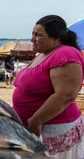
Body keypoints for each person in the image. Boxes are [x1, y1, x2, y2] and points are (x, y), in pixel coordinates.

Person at [12, 15, 84, 159]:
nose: (32, 39)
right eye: (32, 34)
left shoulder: (65, 54)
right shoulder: (43, 54)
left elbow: (66, 96)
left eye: (38, 35)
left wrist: (37, 120)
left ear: (56, 38)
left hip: (53, 129)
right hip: (36, 127)